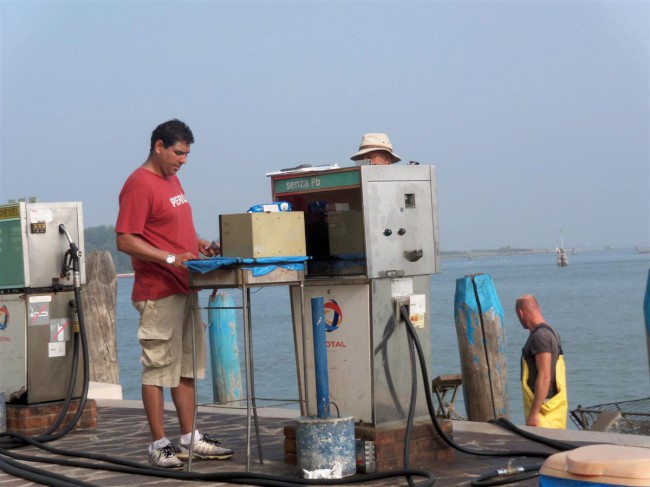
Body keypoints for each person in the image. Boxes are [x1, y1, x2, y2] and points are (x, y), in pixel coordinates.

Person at [115, 119, 233, 468]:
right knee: (157, 369)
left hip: (185, 286)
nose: (183, 160)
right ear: (159, 146)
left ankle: (189, 437)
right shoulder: (139, 184)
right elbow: (125, 239)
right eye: (178, 153)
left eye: (187, 154)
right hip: (158, 290)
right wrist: (170, 257)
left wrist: (202, 244)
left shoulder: (173, 180)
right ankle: (158, 443)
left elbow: (175, 227)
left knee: (186, 368)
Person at [516, 295, 568, 429]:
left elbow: (545, 376)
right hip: (552, 404)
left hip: (544, 408)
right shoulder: (551, 331)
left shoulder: (539, 337)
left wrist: (534, 413)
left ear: (521, 313)